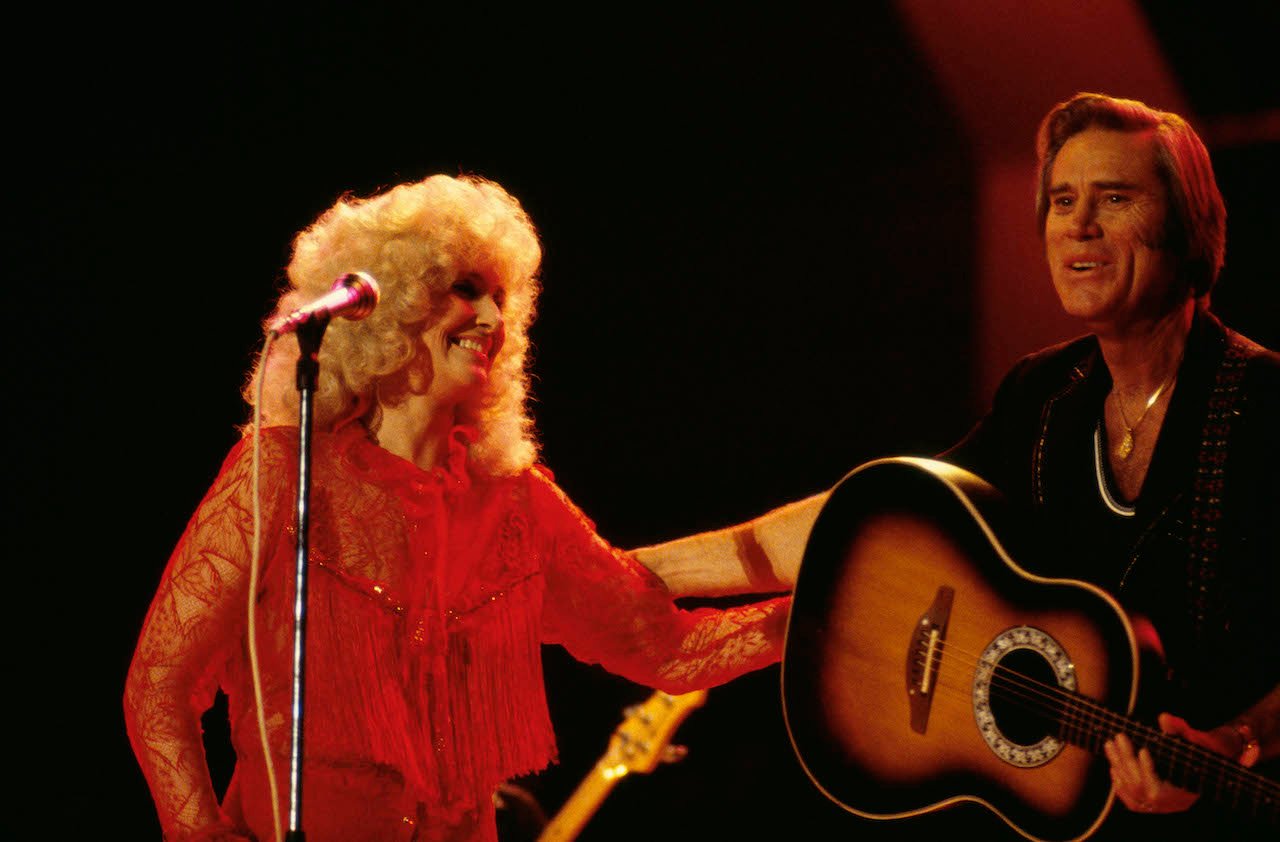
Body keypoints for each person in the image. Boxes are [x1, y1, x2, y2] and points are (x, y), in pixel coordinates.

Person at [635, 93, 1278, 837]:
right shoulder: (1044, 396)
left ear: (1186, 223)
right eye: (1063, 200)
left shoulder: (1264, 405)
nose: (1079, 224)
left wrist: (1237, 741)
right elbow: (866, 524)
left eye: (1115, 198)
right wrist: (638, 574)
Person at [124, 174, 789, 842]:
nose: (494, 321)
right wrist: (198, 833)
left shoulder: (517, 502)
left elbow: (663, 650)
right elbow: (159, 683)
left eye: (502, 300)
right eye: (466, 289)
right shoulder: (281, 475)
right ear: (387, 306)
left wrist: (813, 619)